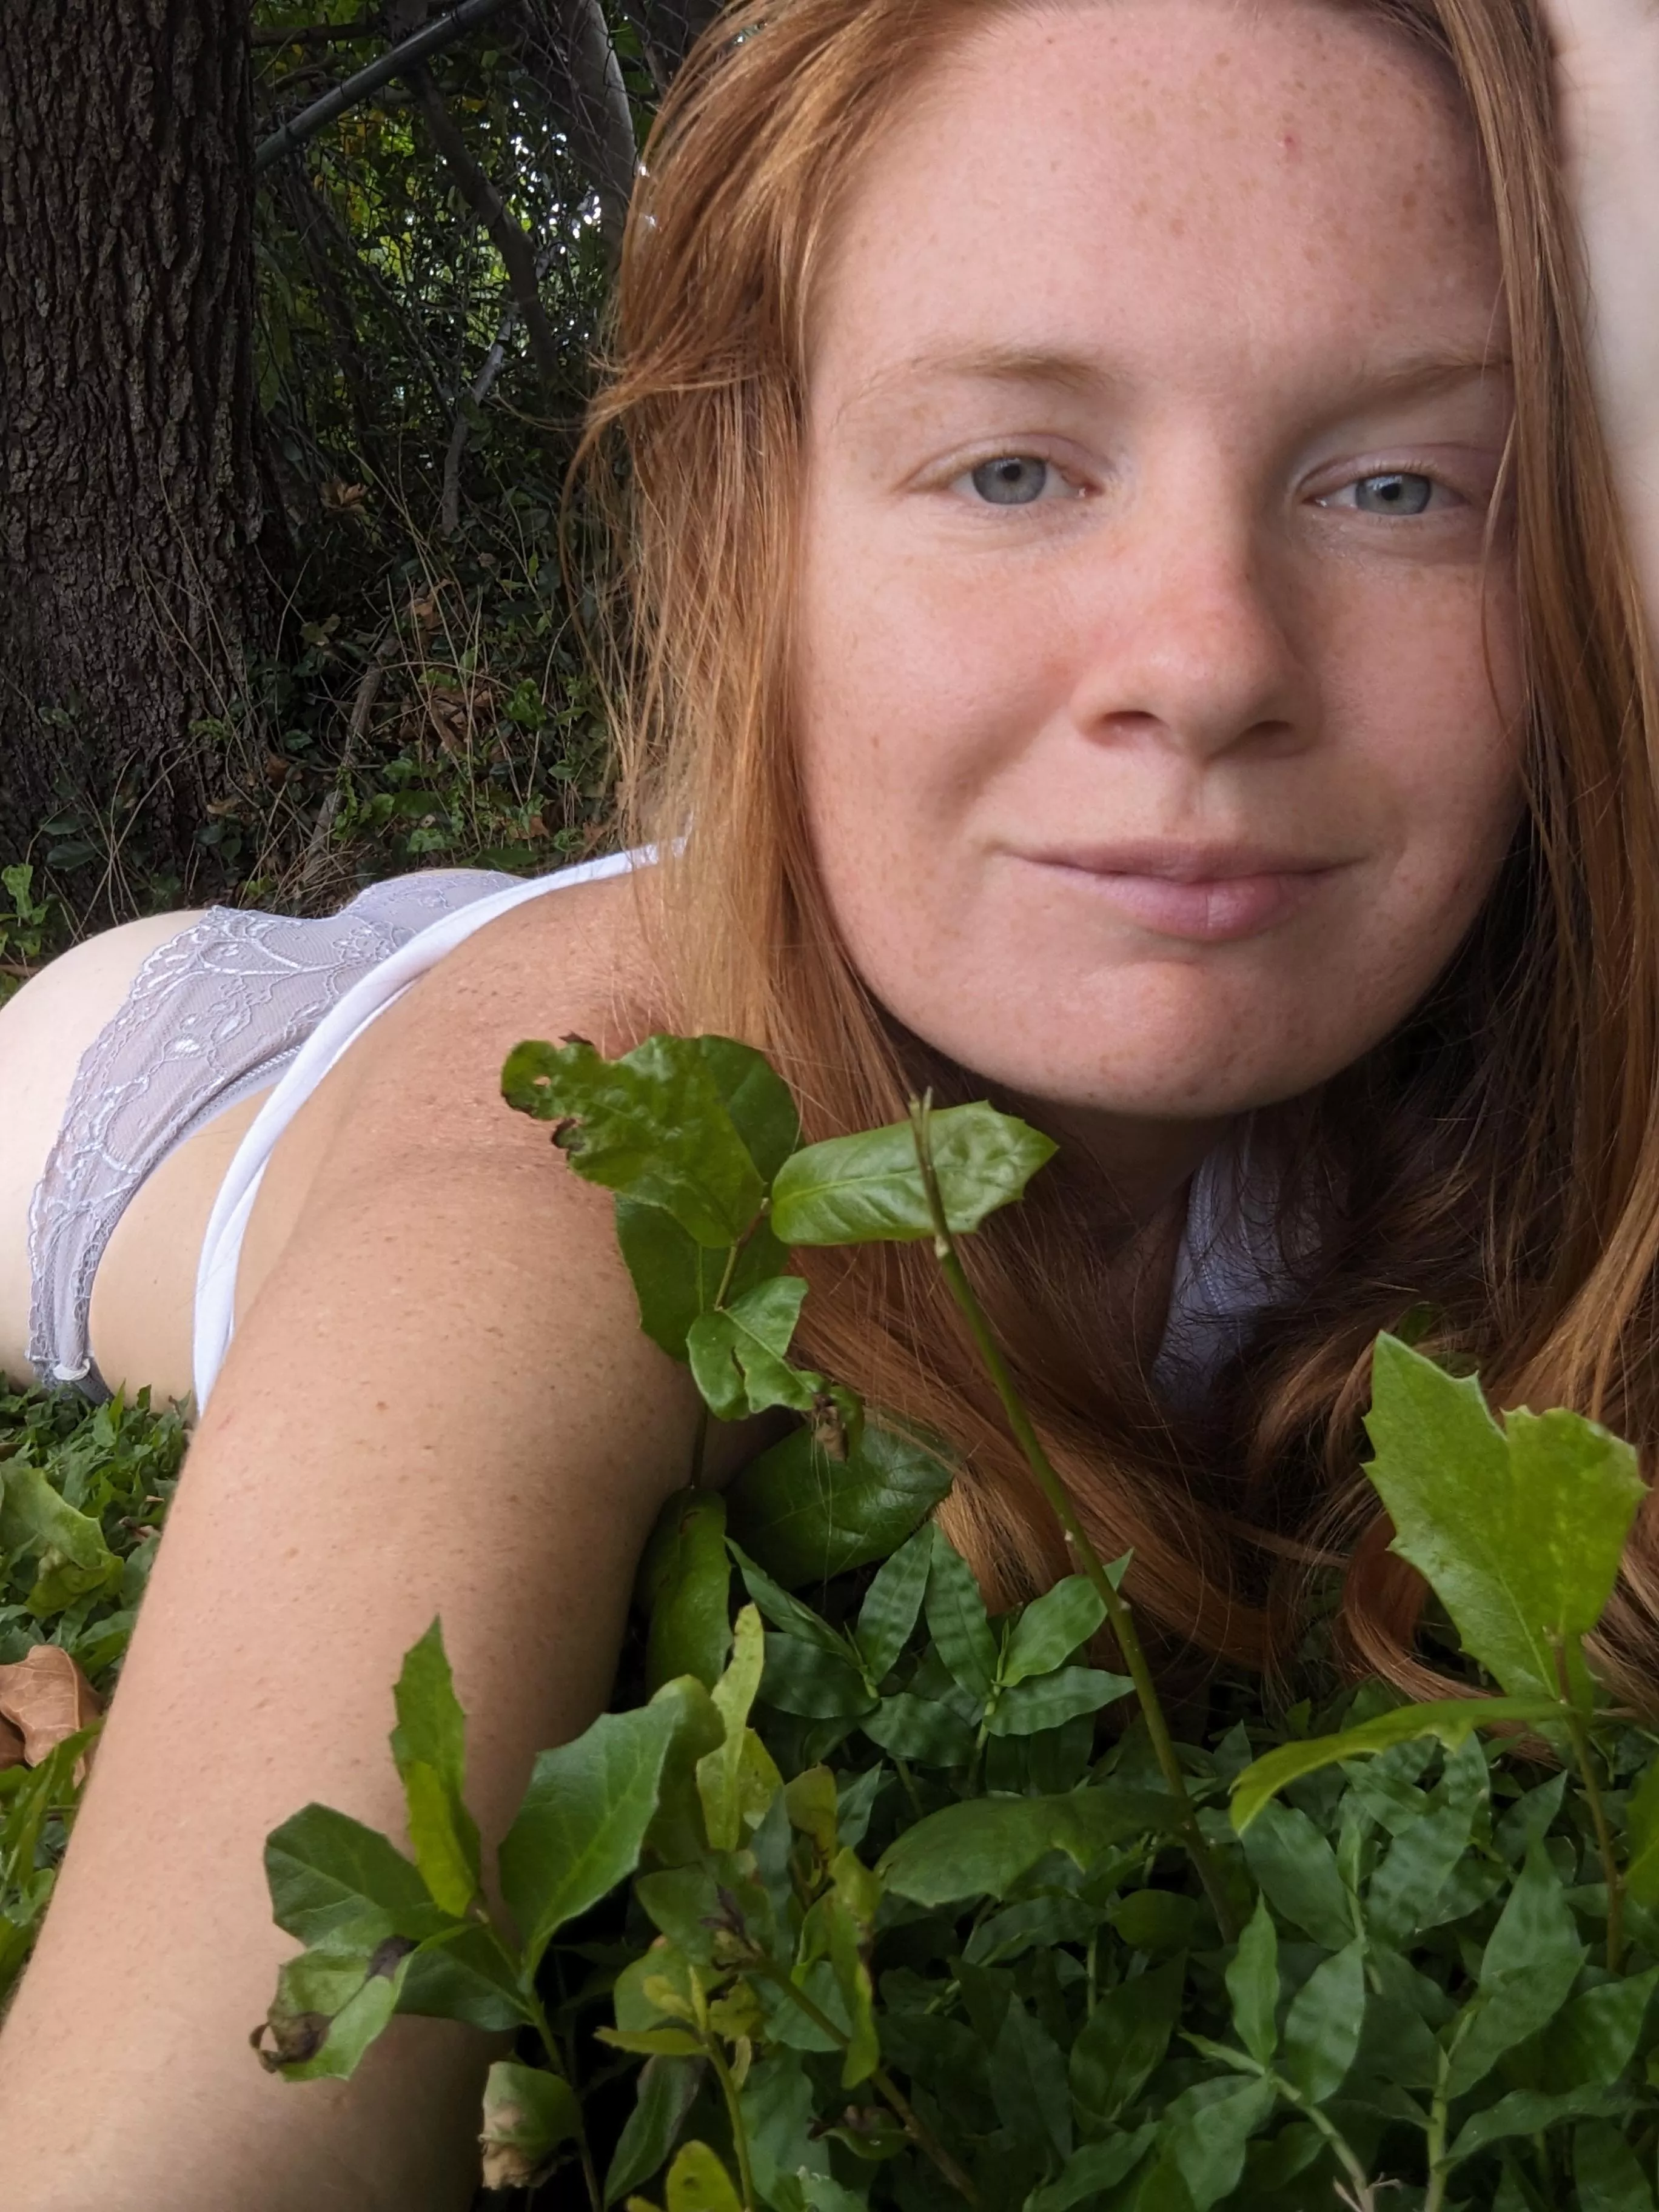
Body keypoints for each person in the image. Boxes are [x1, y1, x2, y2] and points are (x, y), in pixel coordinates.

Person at [2, 0, 1655, 2198]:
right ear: (753, 531)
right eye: (1012, 469)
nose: (1213, 658)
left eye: (1396, 483)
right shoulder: (566, 1184)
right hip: (170, 1059)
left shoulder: (1454, 986)